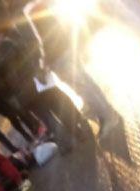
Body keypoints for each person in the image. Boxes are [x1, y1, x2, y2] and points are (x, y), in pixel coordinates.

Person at [23, 0, 121, 141]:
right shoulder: (37, 5)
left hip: (59, 54)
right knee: (83, 83)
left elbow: (42, 38)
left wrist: (44, 60)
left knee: (83, 85)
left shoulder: (32, 9)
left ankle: (107, 115)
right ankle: (103, 112)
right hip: (63, 50)